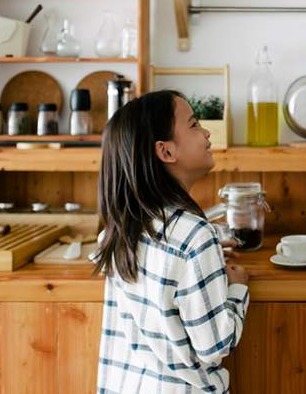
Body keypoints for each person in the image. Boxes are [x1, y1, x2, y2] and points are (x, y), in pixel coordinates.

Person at [95, 90, 249, 393]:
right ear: (165, 152)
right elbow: (215, 345)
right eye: (193, 125)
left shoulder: (118, 229)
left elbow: (163, 253)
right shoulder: (194, 237)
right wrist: (239, 288)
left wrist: (210, 244)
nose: (206, 132)